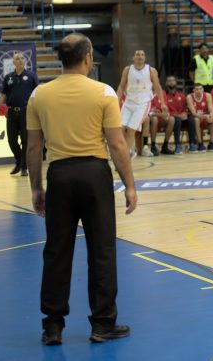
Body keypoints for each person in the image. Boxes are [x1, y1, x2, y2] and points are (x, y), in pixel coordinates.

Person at [26, 34, 135, 346]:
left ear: (61, 59)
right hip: (94, 175)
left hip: (59, 176)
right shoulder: (104, 92)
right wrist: (129, 185)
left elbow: (34, 148)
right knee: (102, 250)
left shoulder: (39, 94)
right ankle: (102, 324)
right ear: (88, 57)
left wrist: (37, 188)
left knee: (56, 251)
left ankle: (52, 327)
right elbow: (117, 144)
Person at [0, 52, 39, 176]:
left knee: (25, 140)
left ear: (25, 61)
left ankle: (24, 167)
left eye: (22, 58)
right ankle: (19, 160)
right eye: (17, 58)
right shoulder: (8, 77)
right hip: (11, 112)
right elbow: (2, 95)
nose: (20, 60)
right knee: (11, 140)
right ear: (13, 62)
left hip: (26, 112)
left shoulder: (31, 76)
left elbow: (37, 94)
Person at [115, 50, 166, 158]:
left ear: (145, 58)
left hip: (142, 104)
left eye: (142, 54)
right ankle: (128, 151)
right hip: (128, 103)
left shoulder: (151, 70)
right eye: (137, 54)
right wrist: (116, 100)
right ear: (133, 58)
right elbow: (122, 86)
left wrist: (162, 103)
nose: (140, 56)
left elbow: (157, 87)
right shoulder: (128, 69)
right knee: (120, 128)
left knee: (131, 130)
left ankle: (125, 155)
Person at [161, 75, 194, 154]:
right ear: (166, 83)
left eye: (173, 80)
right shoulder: (164, 96)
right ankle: (178, 145)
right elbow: (165, 111)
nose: (171, 82)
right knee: (177, 120)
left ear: (176, 82)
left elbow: (186, 108)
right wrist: (177, 115)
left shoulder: (182, 95)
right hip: (172, 120)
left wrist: (185, 113)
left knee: (191, 119)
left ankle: (192, 144)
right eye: (169, 81)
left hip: (182, 119)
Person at [187, 83, 213, 152]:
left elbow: (211, 110)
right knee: (196, 120)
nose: (198, 91)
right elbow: (194, 113)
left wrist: (210, 115)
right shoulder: (189, 97)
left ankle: (211, 143)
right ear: (193, 90)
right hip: (196, 118)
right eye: (196, 89)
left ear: (203, 90)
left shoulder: (207, 95)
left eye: (200, 89)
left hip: (205, 117)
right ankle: (200, 143)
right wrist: (204, 116)